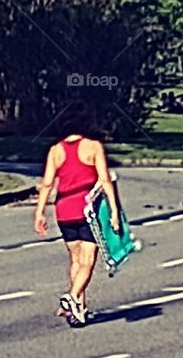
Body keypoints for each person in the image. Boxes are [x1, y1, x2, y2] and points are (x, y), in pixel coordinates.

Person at [34, 103, 120, 326]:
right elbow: (104, 179)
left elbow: (46, 183)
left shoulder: (55, 150)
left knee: (75, 260)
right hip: (87, 211)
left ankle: (79, 309)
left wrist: (40, 212)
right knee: (88, 261)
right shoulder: (93, 147)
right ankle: (72, 298)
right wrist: (113, 210)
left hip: (63, 211)